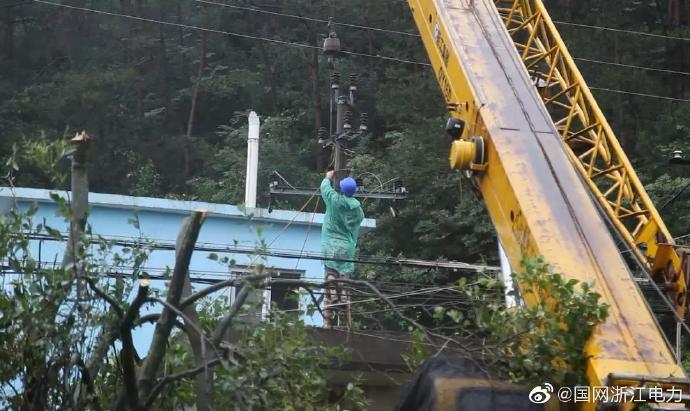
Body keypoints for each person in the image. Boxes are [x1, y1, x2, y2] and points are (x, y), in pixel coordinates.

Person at [320, 170, 365, 329]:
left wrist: (328, 177)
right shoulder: (357, 210)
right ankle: (344, 297)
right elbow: (358, 220)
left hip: (330, 245)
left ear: (341, 188)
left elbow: (324, 188)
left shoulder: (333, 200)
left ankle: (332, 295)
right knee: (344, 275)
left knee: (330, 271)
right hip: (346, 247)